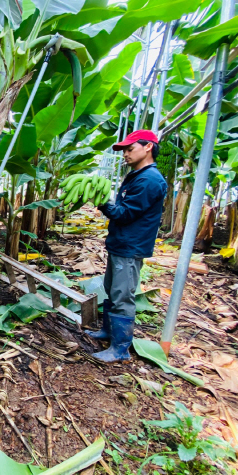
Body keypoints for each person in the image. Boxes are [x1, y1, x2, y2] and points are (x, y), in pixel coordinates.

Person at [86, 130, 167, 363]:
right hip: (121, 243)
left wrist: (102, 203)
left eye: (130, 149)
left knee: (122, 295)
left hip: (131, 246)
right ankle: (109, 332)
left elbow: (125, 213)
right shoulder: (136, 175)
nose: (126, 154)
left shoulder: (149, 180)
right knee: (112, 288)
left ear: (148, 147)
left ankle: (120, 348)